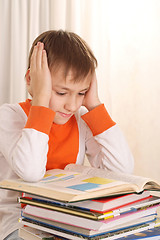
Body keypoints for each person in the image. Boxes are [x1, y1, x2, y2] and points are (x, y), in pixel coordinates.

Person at [0, 30, 134, 240]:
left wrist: (94, 105)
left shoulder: (80, 118)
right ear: (31, 79)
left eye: (81, 93)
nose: (72, 105)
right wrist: (41, 100)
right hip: (20, 223)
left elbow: (121, 171)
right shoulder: (9, 116)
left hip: (70, 219)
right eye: (61, 93)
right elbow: (31, 172)